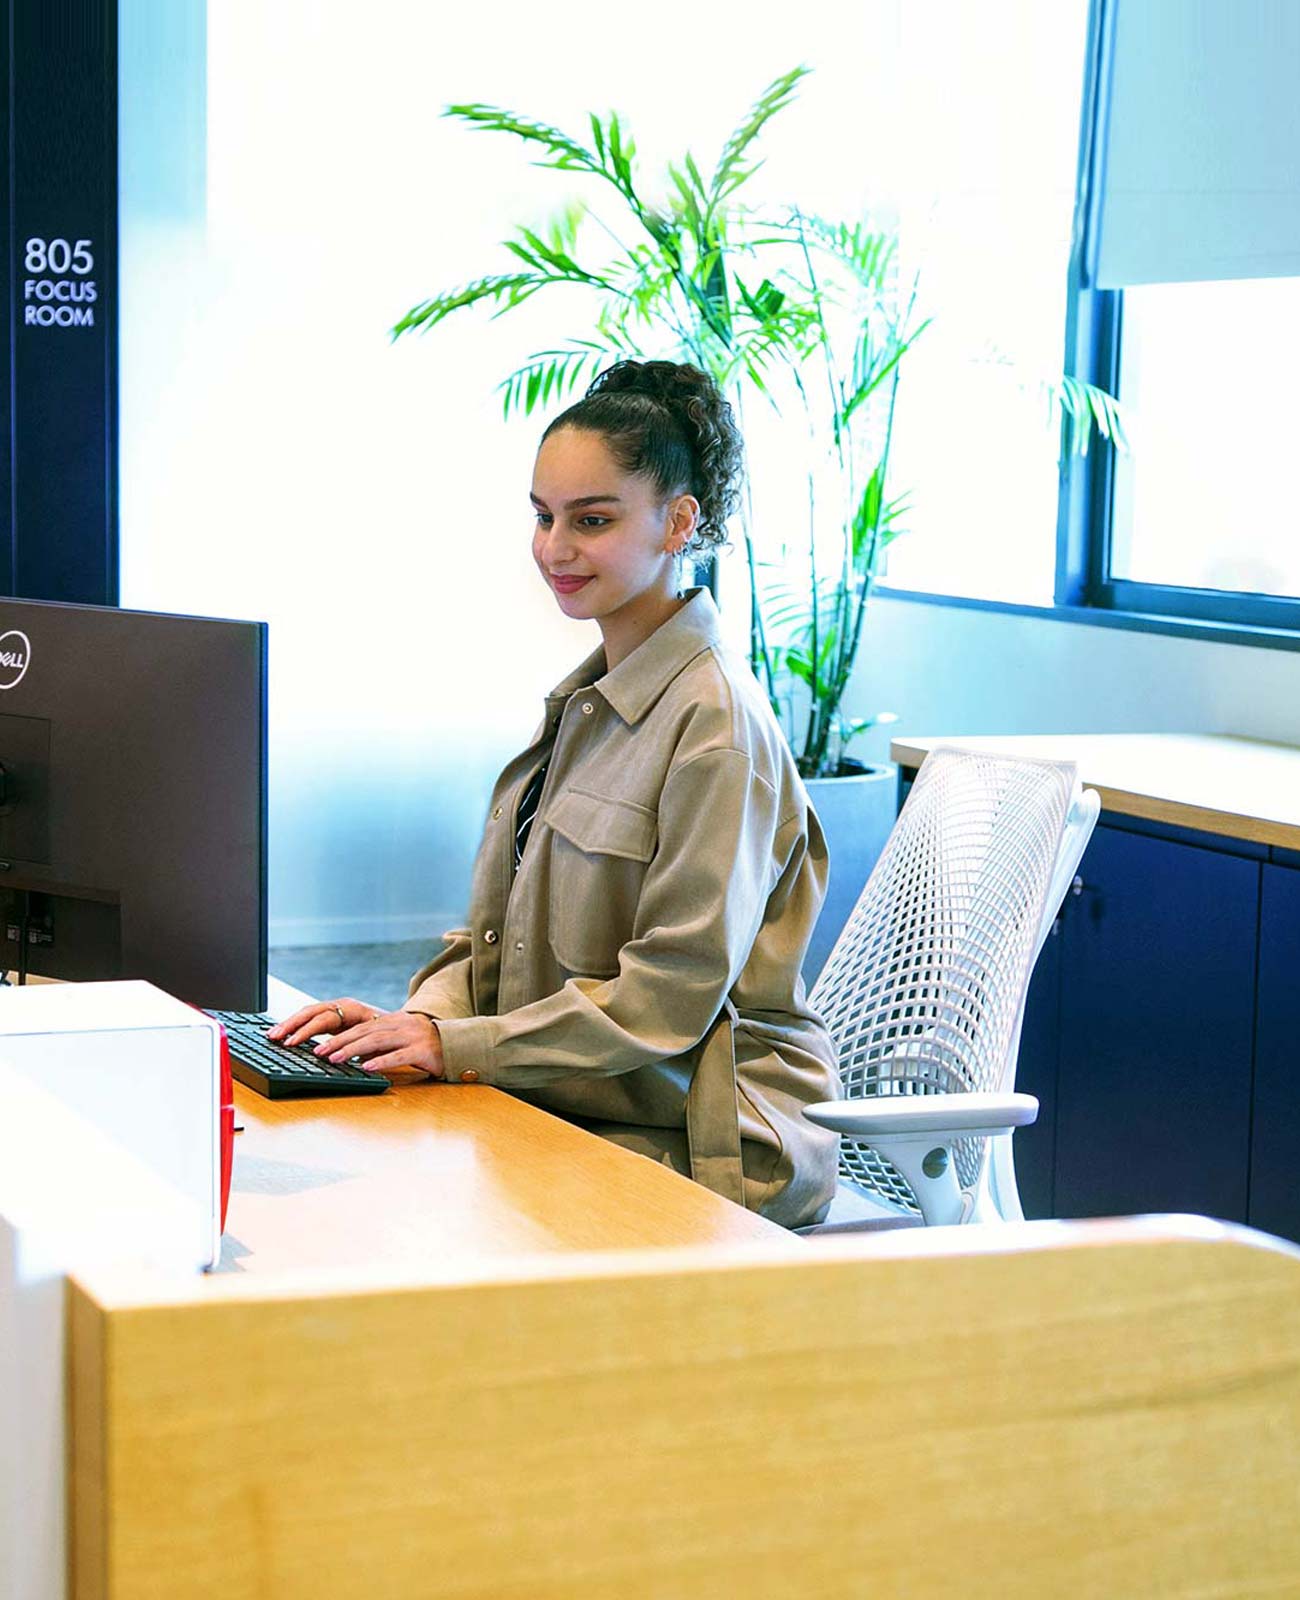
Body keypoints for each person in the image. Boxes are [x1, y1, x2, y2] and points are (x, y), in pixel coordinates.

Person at [270, 359, 840, 1227]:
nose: (554, 549)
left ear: (679, 521)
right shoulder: (593, 703)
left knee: (406, 1220)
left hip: (701, 1145)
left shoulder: (715, 732)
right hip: (581, 1100)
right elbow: (505, 939)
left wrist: (455, 1046)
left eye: (592, 520)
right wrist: (412, 1025)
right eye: (543, 517)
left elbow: (666, 999)